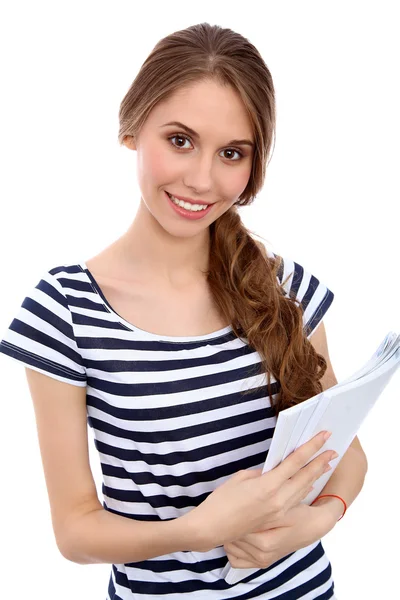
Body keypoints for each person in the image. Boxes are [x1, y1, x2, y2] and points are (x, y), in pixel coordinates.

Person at [0, 22, 368, 600]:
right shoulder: (64, 310)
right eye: (179, 140)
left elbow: (345, 455)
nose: (201, 179)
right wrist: (200, 529)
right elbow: (73, 530)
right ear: (132, 128)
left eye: (231, 153)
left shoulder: (285, 289)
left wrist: (315, 522)